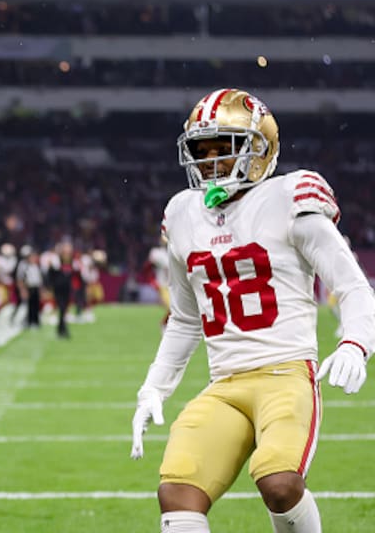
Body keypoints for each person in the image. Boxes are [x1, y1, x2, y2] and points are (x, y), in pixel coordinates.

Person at [130, 88, 374, 533]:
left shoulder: (289, 198)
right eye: (201, 151)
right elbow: (186, 319)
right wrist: (154, 388)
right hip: (225, 381)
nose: (211, 162)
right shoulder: (183, 213)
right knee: (178, 490)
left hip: (285, 373)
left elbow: (355, 287)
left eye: (224, 149)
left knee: (279, 482)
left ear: (260, 148)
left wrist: (355, 345)